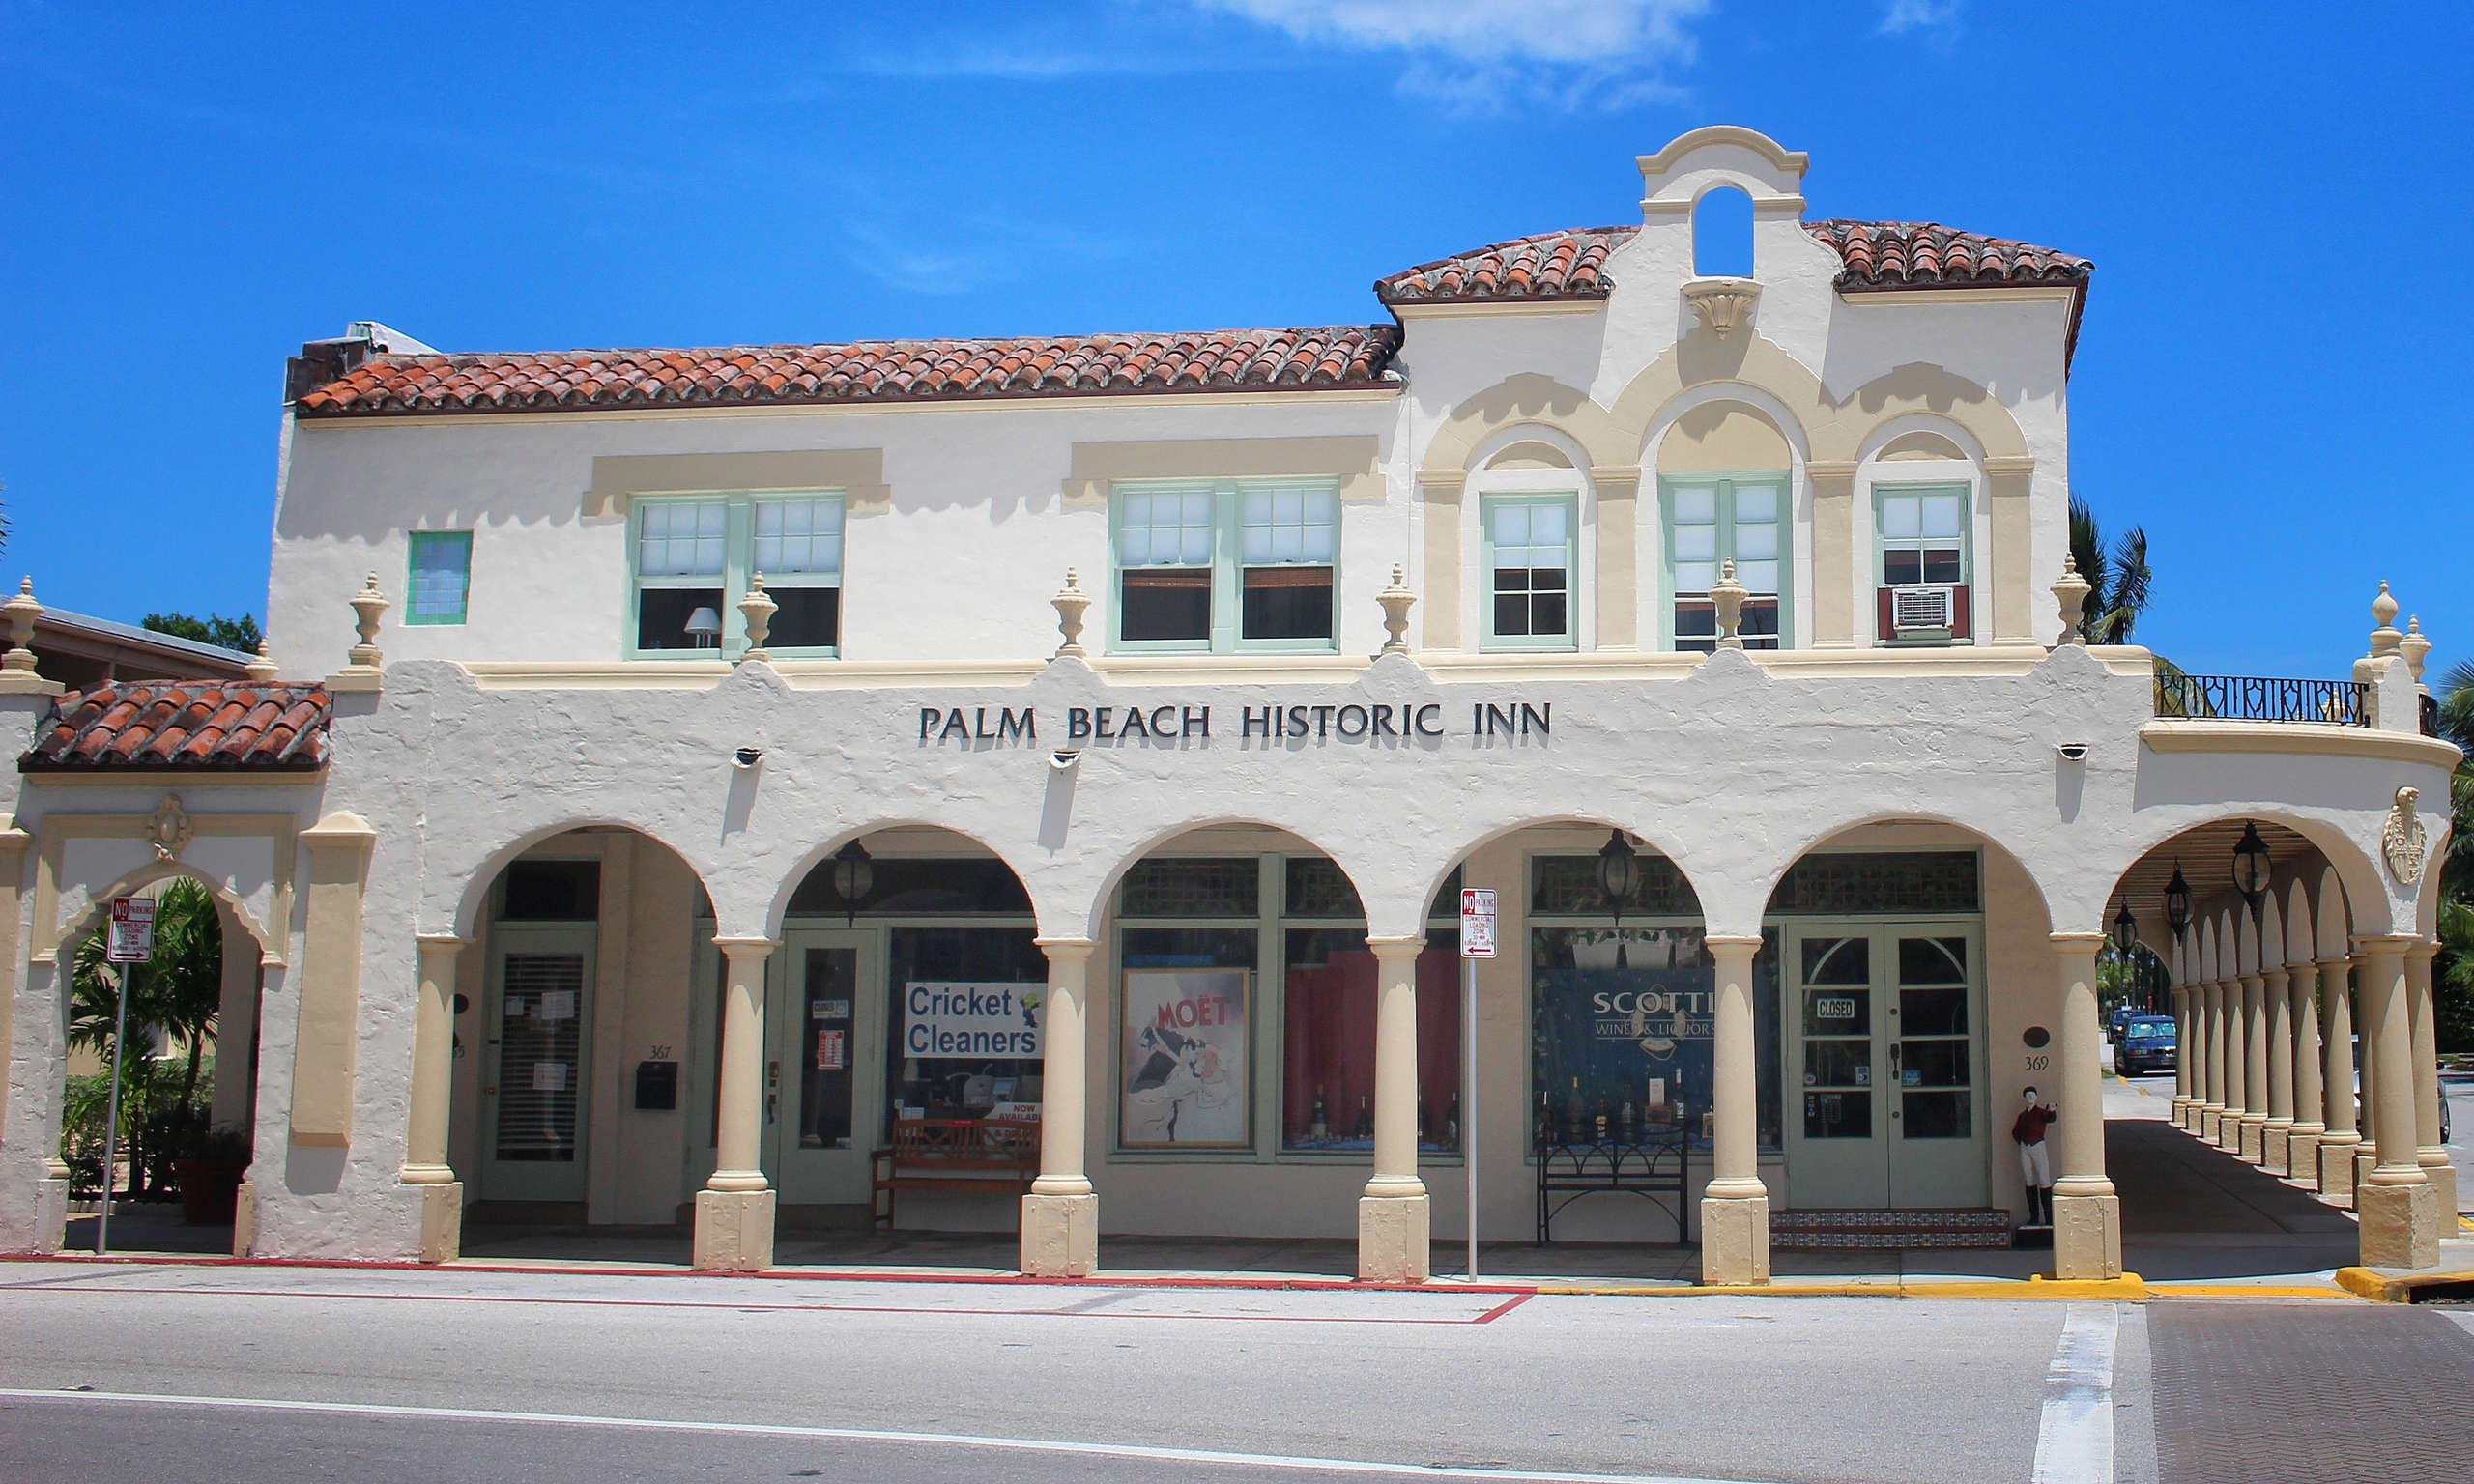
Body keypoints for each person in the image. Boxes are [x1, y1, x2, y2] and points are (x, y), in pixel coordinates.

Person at [2012, 1087, 2058, 1226]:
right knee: (2029, 1179)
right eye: (2028, 1096)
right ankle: (2034, 1217)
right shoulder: (2022, 1116)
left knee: (2044, 1179)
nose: (2030, 1098)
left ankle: (2049, 1217)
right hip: (2025, 1147)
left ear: (2037, 1097)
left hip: (2038, 1146)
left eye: (2033, 1095)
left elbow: (2050, 1118)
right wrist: (2021, 1141)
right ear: (2025, 1098)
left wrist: (2051, 1110)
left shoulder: (2040, 1113)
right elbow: (2015, 1131)